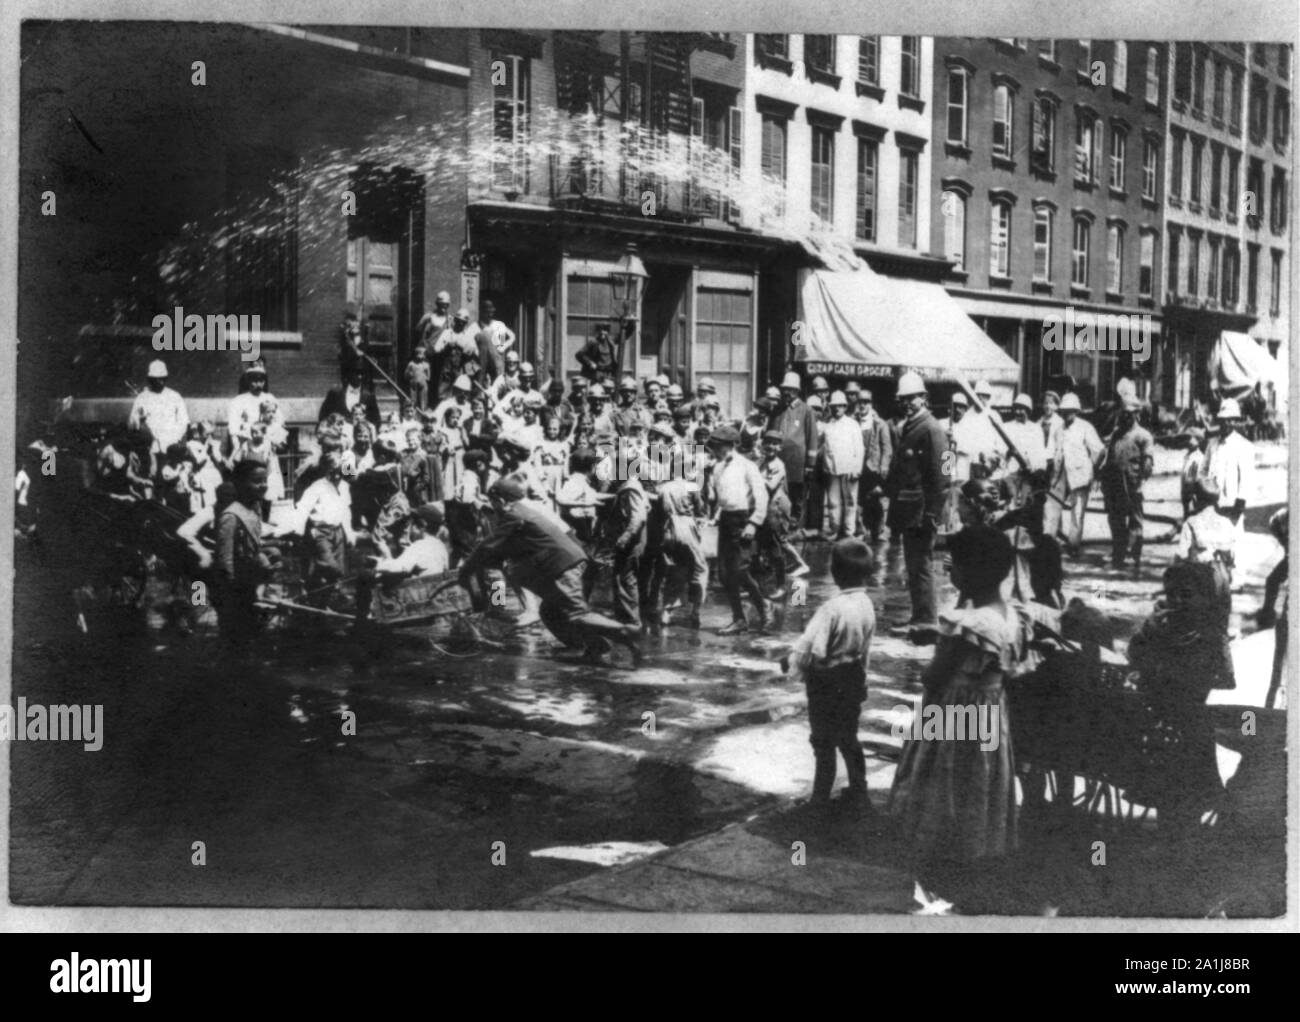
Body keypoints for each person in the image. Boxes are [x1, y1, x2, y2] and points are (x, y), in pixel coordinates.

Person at [889, 525, 1033, 876]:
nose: (949, 569)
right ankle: (975, 844)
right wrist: (942, 634)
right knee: (978, 778)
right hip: (988, 713)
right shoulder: (1011, 615)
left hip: (954, 712)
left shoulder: (967, 624)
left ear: (972, 571)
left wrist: (942, 643)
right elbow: (986, 646)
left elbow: (934, 676)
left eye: (955, 564)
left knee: (944, 776)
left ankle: (940, 849)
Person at [459, 478, 642, 663]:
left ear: (500, 500)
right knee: (549, 611)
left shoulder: (512, 515)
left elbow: (486, 548)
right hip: (563, 560)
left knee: (576, 614)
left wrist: (465, 572)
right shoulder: (524, 509)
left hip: (562, 564)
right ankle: (596, 645)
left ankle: (626, 631)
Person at [1127, 561, 1233, 833]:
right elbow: (1135, 656)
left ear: (1206, 599)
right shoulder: (1164, 627)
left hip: (1190, 730)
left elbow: (1195, 681)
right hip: (1161, 727)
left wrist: (1158, 656)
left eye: (1186, 595)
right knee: (1165, 800)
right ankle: (1168, 850)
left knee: (1188, 805)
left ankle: (1183, 858)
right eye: (1171, 594)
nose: (1177, 601)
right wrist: (1149, 631)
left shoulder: (1210, 636)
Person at [780, 539, 875, 813]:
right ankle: (859, 790)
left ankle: (819, 798)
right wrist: (863, 678)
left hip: (826, 681)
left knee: (823, 741)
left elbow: (813, 649)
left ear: (834, 572)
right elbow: (867, 646)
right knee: (849, 738)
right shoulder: (866, 603)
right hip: (853, 676)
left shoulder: (831, 609)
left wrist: (791, 662)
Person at [884, 372, 951, 639]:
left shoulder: (933, 429)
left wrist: (933, 513)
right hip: (910, 510)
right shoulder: (911, 426)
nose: (908, 403)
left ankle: (927, 621)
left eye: (913, 398)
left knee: (921, 565)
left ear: (924, 398)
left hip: (923, 511)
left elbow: (944, 476)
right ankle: (919, 616)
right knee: (914, 565)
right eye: (904, 399)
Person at [709, 425, 770, 636]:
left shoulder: (747, 465)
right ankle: (739, 619)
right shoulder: (717, 468)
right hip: (726, 519)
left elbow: (761, 495)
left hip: (743, 519)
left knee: (740, 569)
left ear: (729, 446)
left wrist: (754, 522)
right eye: (713, 447)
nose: (714, 451)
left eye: (717, 447)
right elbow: (722, 499)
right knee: (725, 574)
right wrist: (715, 517)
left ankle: (764, 607)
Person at [214, 459, 275, 651]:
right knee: (235, 635)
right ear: (240, 483)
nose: (263, 485)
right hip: (235, 587)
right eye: (256, 481)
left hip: (249, 581)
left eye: (265, 480)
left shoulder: (254, 510)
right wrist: (231, 594)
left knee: (249, 634)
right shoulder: (231, 516)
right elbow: (225, 560)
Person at [650, 434, 709, 630]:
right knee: (700, 568)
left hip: (668, 528)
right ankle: (696, 611)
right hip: (686, 526)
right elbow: (700, 509)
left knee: (674, 570)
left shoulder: (663, 488)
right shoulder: (691, 485)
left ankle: (667, 611)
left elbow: (657, 512)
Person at [1100, 395, 1153, 573]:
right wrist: (1103, 480)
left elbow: (1147, 462)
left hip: (1132, 484)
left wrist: (1141, 483)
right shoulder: (1117, 433)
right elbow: (1110, 458)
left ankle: (1134, 557)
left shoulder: (1143, 435)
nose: (1125, 417)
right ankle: (1118, 555)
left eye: (1129, 414)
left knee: (1135, 523)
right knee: (1115, 520)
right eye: (1123, 413)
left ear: (1136, 414)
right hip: (1114, 485)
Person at [1199, 397, 1255, 553]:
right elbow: (1202, 471)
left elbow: (1246, 482)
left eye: (1231, 420)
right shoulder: (1212, 444)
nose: (1227, 424)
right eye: (1224, 420)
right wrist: (1205, 490)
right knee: (1210, 555)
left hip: (1231, 511)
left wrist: (1237, 511)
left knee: (1232, 555)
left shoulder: (1244, 446)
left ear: (1236, 422)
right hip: (1211, 508)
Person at [294, 451, 356, 589]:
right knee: (332, 568)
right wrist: (298, 529)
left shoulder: (344, 486)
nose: (336, 476)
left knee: (338, 571)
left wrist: (349, 533)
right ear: (326, 470)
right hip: (320, 532)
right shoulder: (318, 486)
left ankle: (325, 600)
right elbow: (303, 508)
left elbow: (346, 511)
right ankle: (312, 578)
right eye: (332, 471)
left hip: (337, 532)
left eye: (339, 472)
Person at [769, 371, 820, 531]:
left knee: (797, 495)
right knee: (778, 492)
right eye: (785, 389)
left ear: (797, 391)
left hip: (797, 462)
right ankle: (780, 523)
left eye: (790, 389)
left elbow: (812, 438)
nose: (786, 393)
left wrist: (810, 465)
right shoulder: (777, 410)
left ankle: (796, 525)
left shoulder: (806, 411)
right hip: (779, 460)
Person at [820, 391, 865, 541]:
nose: (837, 409)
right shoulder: (828, 426)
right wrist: (827, 467)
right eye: (834, 406)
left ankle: (849, 532)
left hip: (849, 469)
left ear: (845, 407)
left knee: (850, 501)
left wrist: (857, 468)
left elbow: (859, 448)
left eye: (840, 406)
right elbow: (826, 448)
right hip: (833, 470)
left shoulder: (852, 424)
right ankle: (835, 529)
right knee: (833, 502)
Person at [128, 359, 190, 463]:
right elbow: (132, 425)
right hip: (150, 447)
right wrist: (139, 420)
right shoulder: (142, 398)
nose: (160, 382)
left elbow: (184, 423)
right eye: (156, 379)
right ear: (150, 379)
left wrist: (176, 441)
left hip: (172, 446)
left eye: (163, 378)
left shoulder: (175, 396)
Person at [856, 387, 893, 548]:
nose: (863, 405)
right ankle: (861, 530)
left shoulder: (880, 424)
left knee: (874, 498)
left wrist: (884, 466)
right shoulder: (853, 421)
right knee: (859, 499)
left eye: (866, 402)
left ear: (871, 404)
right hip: (858, 466)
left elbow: (887, 448)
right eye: (860, 402)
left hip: (873, 468)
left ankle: (877, 530)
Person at [1179, 427, 1208, 523]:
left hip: (1193, 495)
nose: (1187, 441)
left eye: (1190, 438)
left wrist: (1189, 495)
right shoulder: (1189, 456)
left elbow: (1190, 480)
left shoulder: (1196, 458)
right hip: (1187, 495)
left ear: (1198, 440)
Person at [404, 345, 432, 412]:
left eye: (423, 355)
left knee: (423, 398)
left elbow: (428, 374)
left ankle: (423, 410)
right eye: (422, 354)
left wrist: (427, 378)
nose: (422, 356)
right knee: (413, 397)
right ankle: (413, 410)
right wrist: (409, 375)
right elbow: (406, 373)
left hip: (423, 383)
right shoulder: (411, 364)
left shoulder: (426, 364)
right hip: (413, 383)